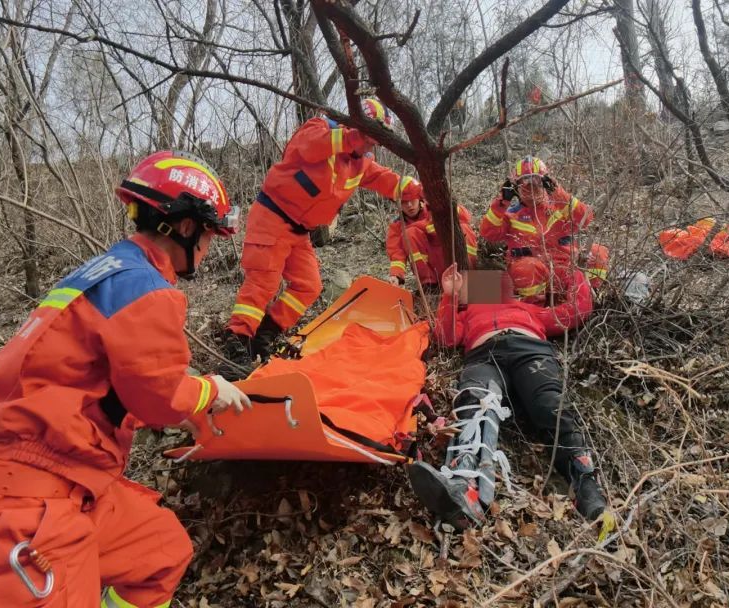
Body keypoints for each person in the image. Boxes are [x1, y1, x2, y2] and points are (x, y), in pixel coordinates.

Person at [0, 150, 251, 607]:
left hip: (59, 483)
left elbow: (85, 383)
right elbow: (159, 395)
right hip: (21, 507)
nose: (207, 249)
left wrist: (174, 413)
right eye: (209, 236)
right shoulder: (146, 289)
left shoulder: (108, 273)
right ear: (185, 228)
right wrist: (209, 391)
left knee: (158, 550)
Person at [406, 263, 609, 529]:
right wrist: (450, 296)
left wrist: (572, 273)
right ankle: (463, 485)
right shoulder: (471, 312)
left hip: (531, 351)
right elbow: (446, 336)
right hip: (483, 355)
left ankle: (585, 484)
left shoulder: (528, 308)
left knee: (549, 403)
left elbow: (575, 312)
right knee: (475, 403)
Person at [222, 98, 422, 364]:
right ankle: (237, 341)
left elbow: (390, 182)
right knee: (263, 282)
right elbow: (311, 147)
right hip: (272, 217)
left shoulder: (360, 163)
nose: (371, 146)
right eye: (370, 139)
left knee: (309, 286)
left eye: (375, 142)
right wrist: (354, 135)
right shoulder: (318, 129)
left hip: (299, 230)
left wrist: (423, 189)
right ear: (357, 126)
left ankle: (265, 333)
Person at [480, 155, 609, 292]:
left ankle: (593, 296)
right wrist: (501, 202)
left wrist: (558, 192)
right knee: (527, 268)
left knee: (598, 252)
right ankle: (534, 310)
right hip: (533, 274)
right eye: (525, 182)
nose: (531, 187)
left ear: (546, 182)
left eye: (536, 180)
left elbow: (587, 219)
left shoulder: (561, 206)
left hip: (566, 270)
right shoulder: (511, 215)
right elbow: (488, 233)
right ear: (515, 187)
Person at [385, 178, 478, 288]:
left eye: (412, 199)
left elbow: (465, 217)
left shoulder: (433, 208)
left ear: (419, 198)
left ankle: (471, 274)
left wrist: (439, 202)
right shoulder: (397, 226)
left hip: (455, 261)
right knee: (410, 233)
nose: (409, 205)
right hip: (434, 274)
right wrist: (396, 275)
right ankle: (430, 286)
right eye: (404, 202)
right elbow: (396, 254)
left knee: (463, 228)